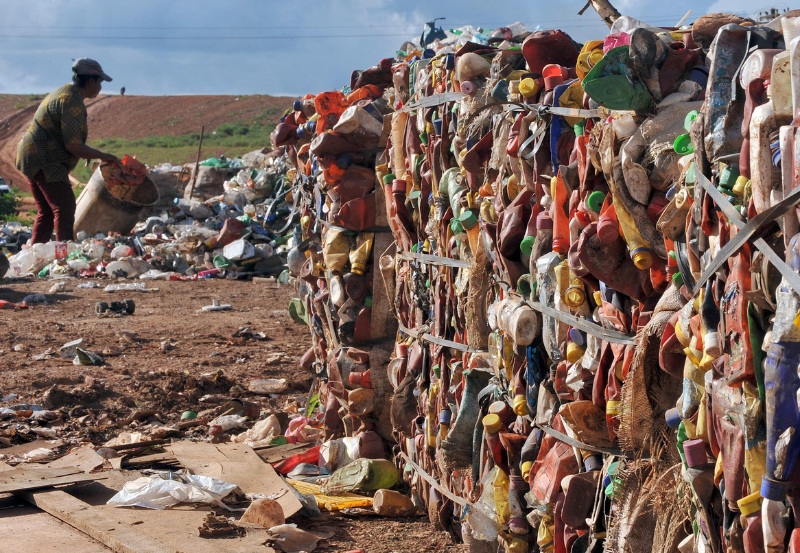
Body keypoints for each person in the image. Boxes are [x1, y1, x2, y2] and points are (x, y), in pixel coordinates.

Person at [15, 58, 118, 244]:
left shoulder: (64, 92)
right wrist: (104, 156)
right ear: (91, 82)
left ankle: (39, 254)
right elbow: (74, 146)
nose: (101, 88)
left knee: (46, 211)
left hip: (31, 155)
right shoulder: (71, 101)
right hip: (45, 159)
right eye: (100, 82)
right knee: (64, 207)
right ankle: (64, 255)